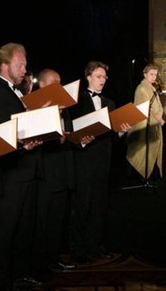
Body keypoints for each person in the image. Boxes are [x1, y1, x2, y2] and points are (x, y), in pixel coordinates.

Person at [0, 42, 43, 290]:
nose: (25, 69)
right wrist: (21, 144)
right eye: (20, 65)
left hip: (25, 169)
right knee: (6, 230)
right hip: (10, 174)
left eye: (26, 64)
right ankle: (1, 280)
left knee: (22, 227)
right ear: (5, 66)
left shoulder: (16, 92)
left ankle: (17, 274)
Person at [68, 61, 130, 265]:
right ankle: (79, 249)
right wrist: (81, 141)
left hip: (103, 161)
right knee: (82, 204)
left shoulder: (110, 103)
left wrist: (121, 130)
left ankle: (95, 246)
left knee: (98, 206)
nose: (102, 80)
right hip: (83, 160)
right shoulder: (76, 100)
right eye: (98, 76)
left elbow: (112, 136)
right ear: (88, 76)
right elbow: (70, 131)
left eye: (104, 77)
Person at [32, 68, 76, 273]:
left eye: (60, 82)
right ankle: (39, 265)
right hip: (44, 176)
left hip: (62, 173)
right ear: (41, 85)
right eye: (54, 82)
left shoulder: (65, 108)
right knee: (42, 223)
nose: (59, 86)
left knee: (58, 221)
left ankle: (54, 258)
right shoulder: (32, 107)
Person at [126, 64, 164, 183]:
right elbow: (143, 110)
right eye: (151, 74)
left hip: (154, 125)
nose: (154, 77)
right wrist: (158, 119)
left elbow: (158, 107)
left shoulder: (152, 88)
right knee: (144, 152)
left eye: (155, 75)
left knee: (152, 151)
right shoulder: (142, 88)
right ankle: (143, 178)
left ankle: (150, 176)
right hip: (145, 126)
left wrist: (160, 116)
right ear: (145, 74)